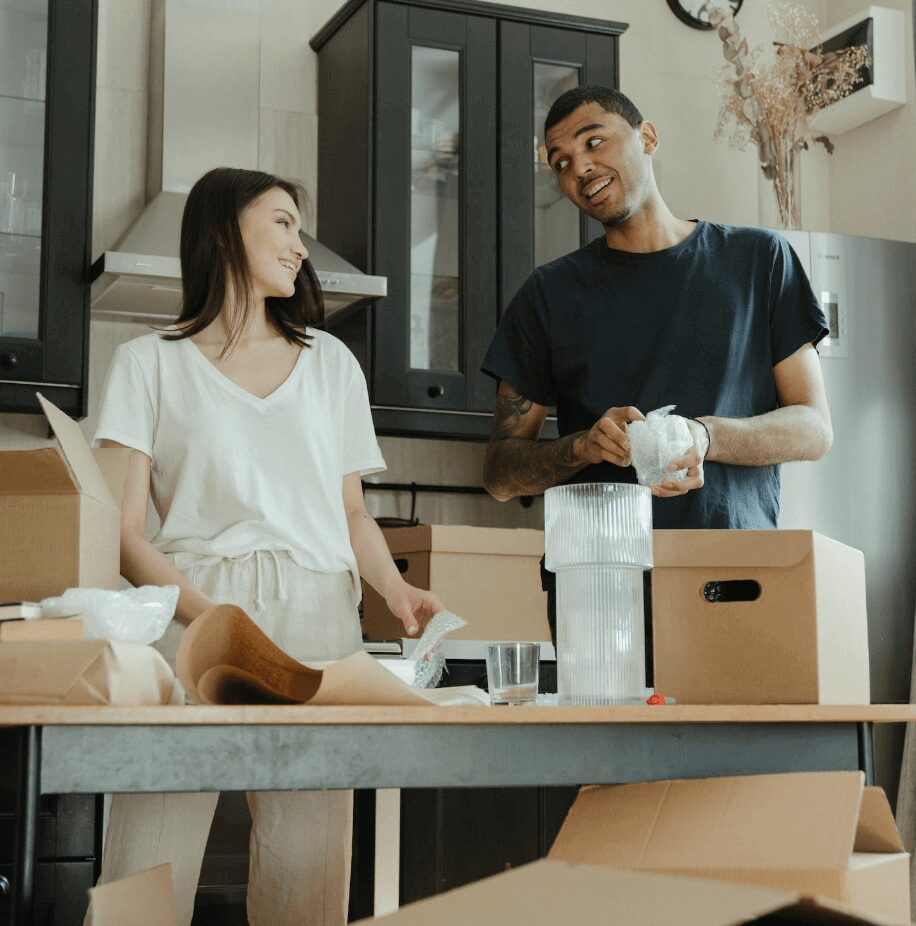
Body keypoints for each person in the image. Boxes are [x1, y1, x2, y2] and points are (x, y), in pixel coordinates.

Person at [88, 167, 441, 926]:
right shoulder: (148, 363)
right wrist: (216, 619)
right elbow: (120, 534)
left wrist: (394, 589)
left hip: (318, 620)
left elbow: (351, 515)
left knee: (306, 877)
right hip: (195, 615)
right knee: (146, 869)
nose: (299, 245)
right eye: (282, 222)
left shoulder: (331, 365)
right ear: (224, 230)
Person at [481, 86, 833, 644]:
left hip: (734, 581)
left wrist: (704, 436)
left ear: (646, 137)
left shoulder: (758, 262)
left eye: (594, 141)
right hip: (600, 593)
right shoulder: (546, 296)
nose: (581, 168)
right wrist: (583, 446)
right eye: (562, 162)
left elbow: (814, 429)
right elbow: (500, 474)